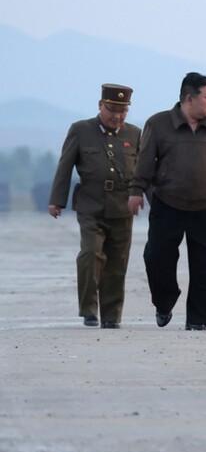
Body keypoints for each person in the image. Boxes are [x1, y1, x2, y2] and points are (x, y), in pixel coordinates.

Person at [128, 72, 206, 330]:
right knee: (156, 258)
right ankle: (164, 302)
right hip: (167, 203)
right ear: (189, 98)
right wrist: (136, 191)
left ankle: (199, 320)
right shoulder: (158, 124)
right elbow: (144, 162)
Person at [48, 84, 140, 328]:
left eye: (122, 111)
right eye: (112, 110)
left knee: (117, 263)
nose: (117, 116)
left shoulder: (134, 134)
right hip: (91, 204)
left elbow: (143, 171)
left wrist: (147, 197)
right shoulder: (81, 130)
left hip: (122, 207)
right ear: (100, 106)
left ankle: (112, 317)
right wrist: (57, 200)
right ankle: (89, 309)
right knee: (91, 254)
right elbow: (65, 166)